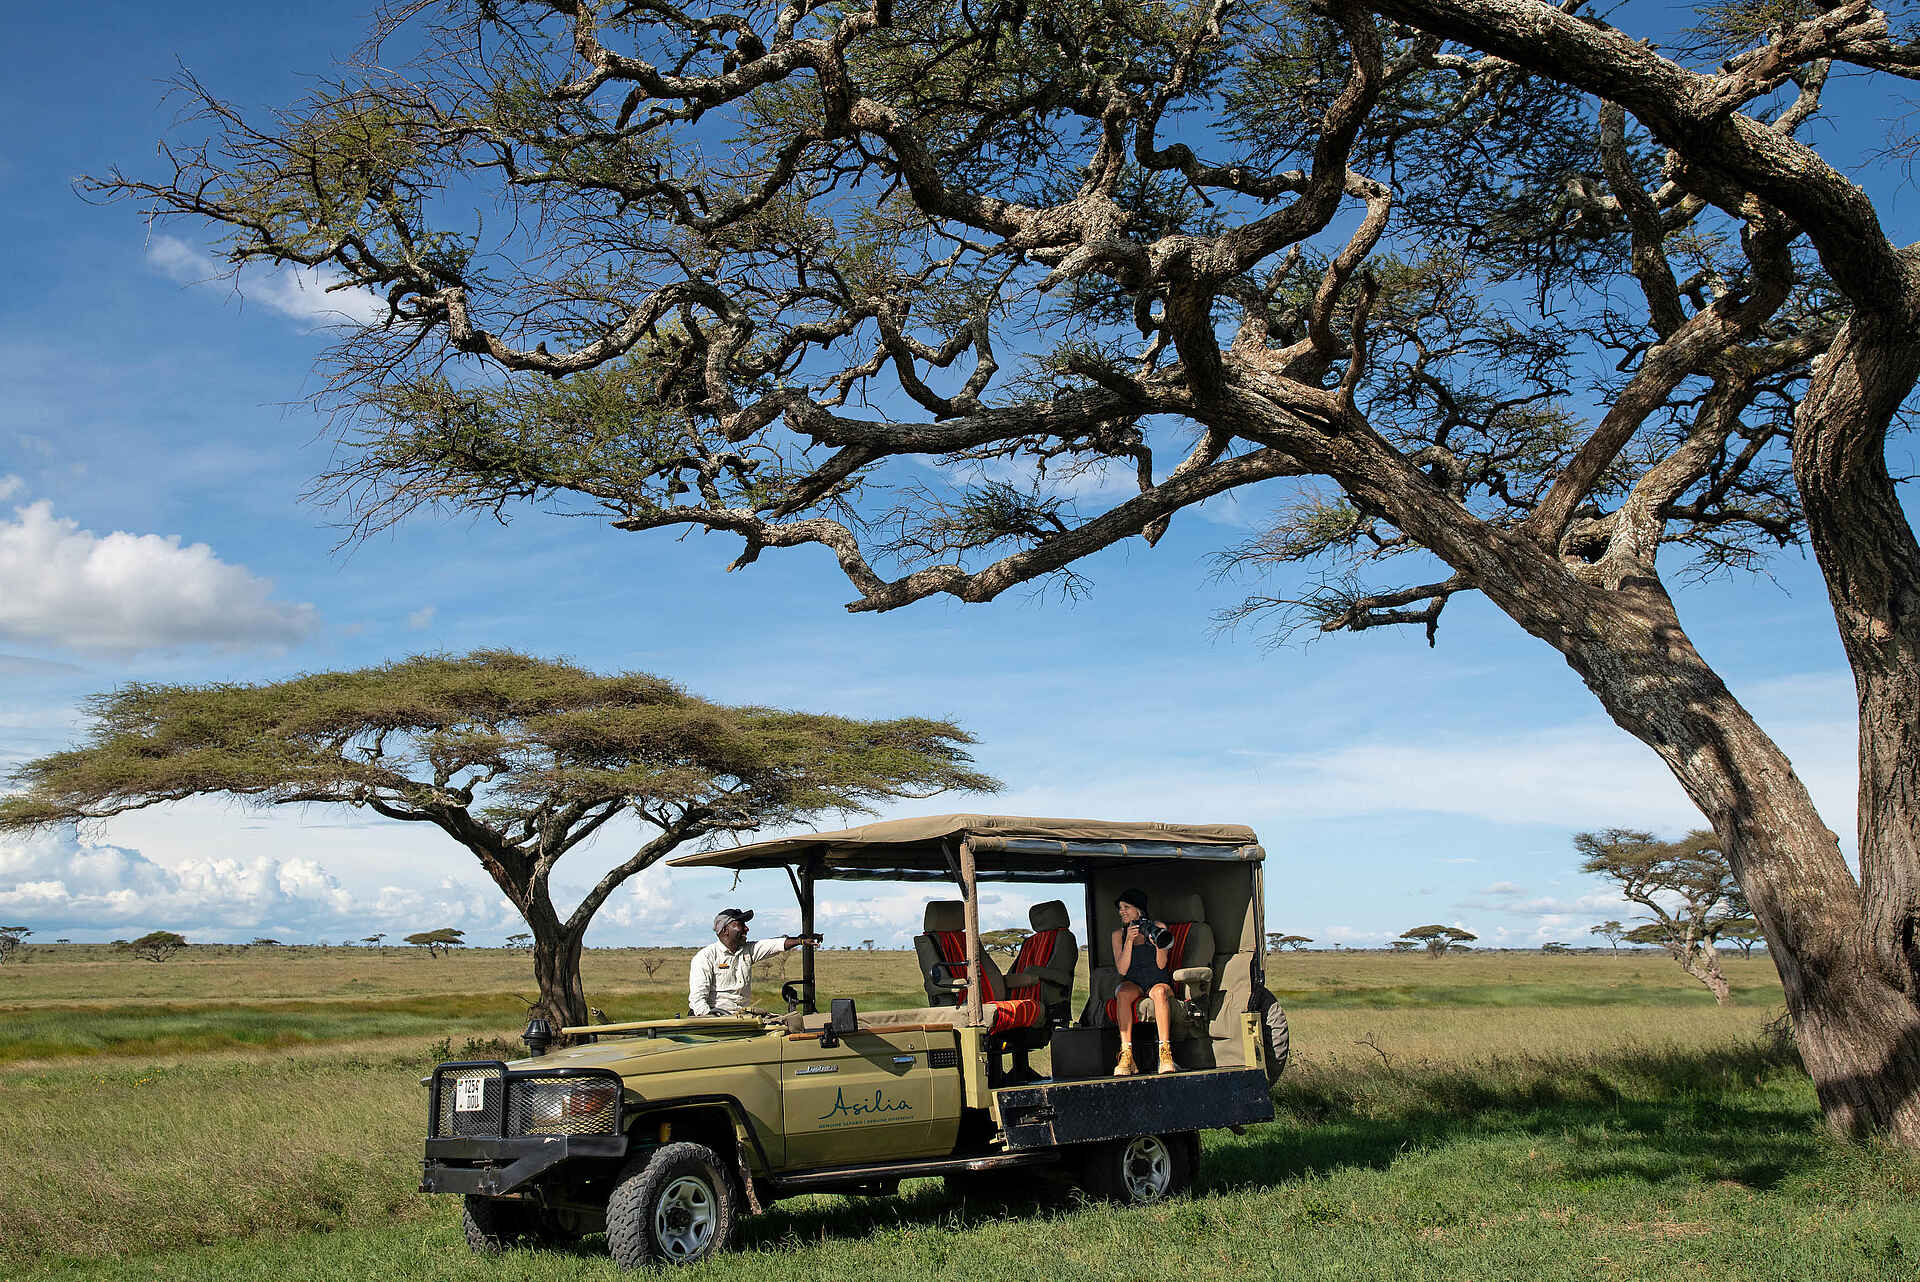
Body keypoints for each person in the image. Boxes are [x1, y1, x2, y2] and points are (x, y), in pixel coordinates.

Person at [687, 907, 820, 1016]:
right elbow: (697, 1001)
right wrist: (715, 1022)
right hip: (718, 1020)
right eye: (740, 925)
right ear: (725, 930)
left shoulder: (748, 950)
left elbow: (773, 945)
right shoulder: (705, 958)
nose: (746, 929)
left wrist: (799, 941)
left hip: (742, 1018)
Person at [1111, 888, 1176, 1076]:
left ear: (1139, 910)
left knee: (1159, 993)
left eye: (1126, 907)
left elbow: (1162, 965)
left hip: (1157, 980)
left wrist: (1157, 944)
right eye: (1120, 908)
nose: (1121, 911)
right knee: (1122, 992)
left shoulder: (1158, 927)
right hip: (1134, 982)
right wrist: (1129, 941)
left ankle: (1165, 1053)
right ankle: (1126, 1054)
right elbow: (1122, 969)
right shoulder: (1117, 935)